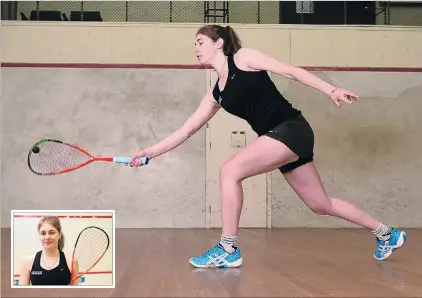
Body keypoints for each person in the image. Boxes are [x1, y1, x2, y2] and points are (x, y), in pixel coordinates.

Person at [130, 24, 406, 268]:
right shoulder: (216, 93)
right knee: (320, 204)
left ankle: (228, 248)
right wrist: (149, 153)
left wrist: (329, 90)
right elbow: (186, 129)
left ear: (219, 43)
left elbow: (291, 71)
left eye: (200, 42)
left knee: (229, 171)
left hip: (290, 129)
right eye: (194, 44)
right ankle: (386, 233)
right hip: (282, 137)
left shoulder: (244, 58)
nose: (196, 48)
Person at [18, 216, 79, 285]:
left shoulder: (72, 262)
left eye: (51, 233)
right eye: (43, 233)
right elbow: (22, 294)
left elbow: (75, 294)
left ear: (59, 234)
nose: (47, 237)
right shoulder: (27, 262)